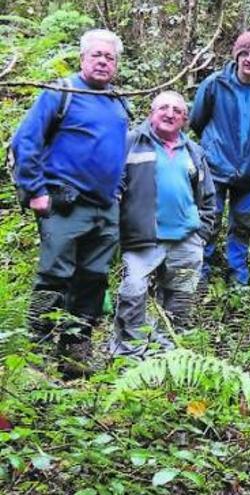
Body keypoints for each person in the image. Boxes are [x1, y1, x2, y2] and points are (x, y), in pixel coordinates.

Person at [11, 29, 129, 375]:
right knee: (55, 275)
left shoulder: (119, 101)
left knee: (93, 279)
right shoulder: (61, 93)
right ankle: (36, 355)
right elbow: (26, 141)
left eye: (110, 57)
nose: (103, 61)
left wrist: (118, 191)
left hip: (104, 208)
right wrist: (35, 190)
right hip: (65, 203)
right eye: (97, 55)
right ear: (82, 58)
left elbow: (119, 153)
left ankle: (75, 351)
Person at [110, 91, 215, 358]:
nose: (170, 114)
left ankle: (165, 355)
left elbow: (208, 196)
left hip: (186, 239)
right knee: (133, 294)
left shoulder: (194, 150)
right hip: (143, 236)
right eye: (163, 108)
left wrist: (202, 232)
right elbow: (114, 186)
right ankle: (128, 355)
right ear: (151, 113)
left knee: (179, 300)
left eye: (177, 111)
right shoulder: (131, 142)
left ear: (184, 119)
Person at [190, 31, 250, 285]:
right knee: (210, 219)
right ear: (236, 57)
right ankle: (202, 273)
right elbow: (197, 120)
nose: (249, 59)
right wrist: (214, 147)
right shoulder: (215, 83)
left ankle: (237, 276)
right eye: (245, 54)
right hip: (215, 167)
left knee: (242, 225)